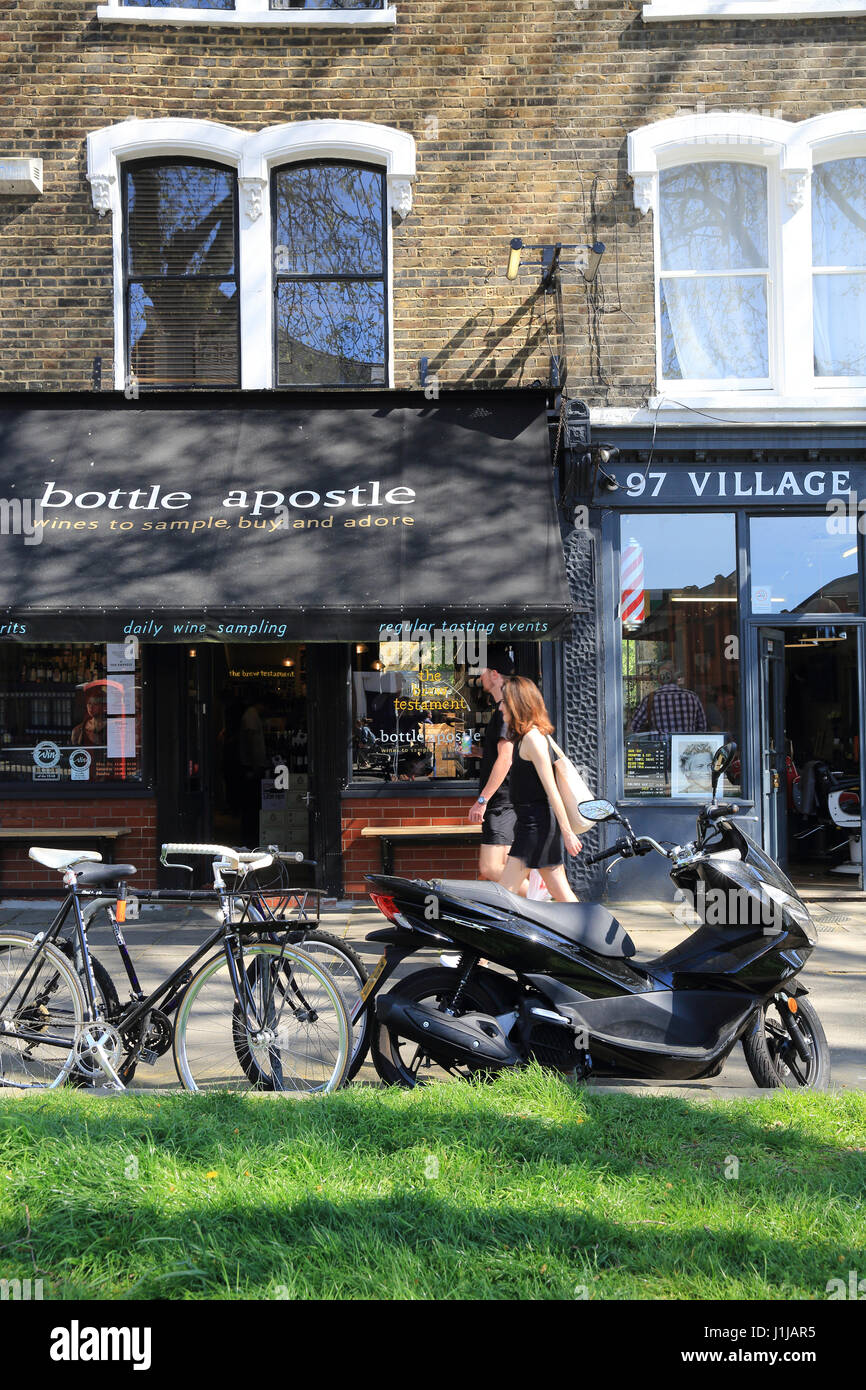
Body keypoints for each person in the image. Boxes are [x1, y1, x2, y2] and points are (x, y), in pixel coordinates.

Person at [497, 675, 581, 902]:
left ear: (516, 703)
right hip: (531, 825)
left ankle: (589, 930)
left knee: (505, 895)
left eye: (504, 701)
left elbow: (551, 790)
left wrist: (567, 832)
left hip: (537, 828)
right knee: (562, 894)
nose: (500, 706)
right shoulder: (524, 738)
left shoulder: (533, 739)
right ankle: (587, 929)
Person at [467, 647, 517, 881]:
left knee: (491, 869)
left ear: (495, 674)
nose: (480, 678)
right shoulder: (504, 707)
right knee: (498, 872)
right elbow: (502, 754)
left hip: (501, 803)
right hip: (506, 801)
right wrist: (480, 753)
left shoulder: (505, 709)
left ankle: (542, 897)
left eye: (483, 672)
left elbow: (506, 759)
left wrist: (482, 801)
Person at [630, 664, 707, 734]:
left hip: (660, 748)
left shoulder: (650, 699)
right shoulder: (692, 697)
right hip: (686, 748)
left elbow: (633, 727)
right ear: (676, 677)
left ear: (659, 678)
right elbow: (702, 728)